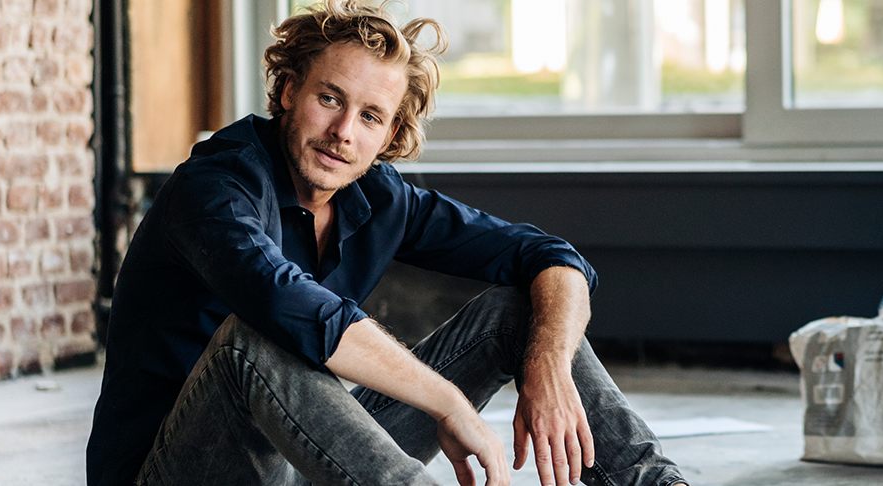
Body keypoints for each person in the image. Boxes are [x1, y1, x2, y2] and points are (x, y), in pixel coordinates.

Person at [85, 2, 687, 485]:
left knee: (520, 312)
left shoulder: (378, 197)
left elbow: (554, 258)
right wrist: (447, 402)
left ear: (391, 132)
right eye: (329, 98)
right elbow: (290, 307)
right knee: (253, 339)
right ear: (289, 90)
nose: (343, 132)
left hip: (301, 458)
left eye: (370, 116)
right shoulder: (216, 185)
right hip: (176, 469)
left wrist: (549, 365)